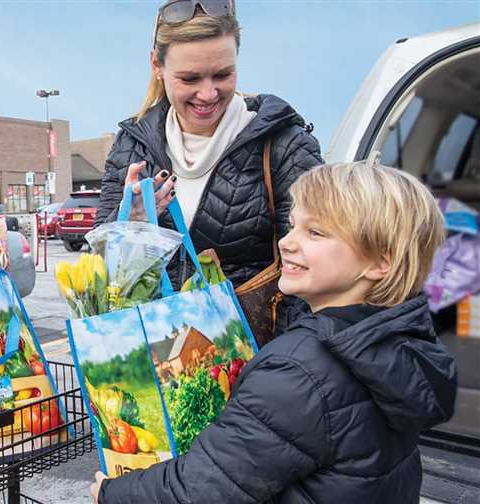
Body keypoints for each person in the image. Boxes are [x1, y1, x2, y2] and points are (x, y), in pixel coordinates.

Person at [89, 158, 458, 503]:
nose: (286, 241)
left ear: (380, 262)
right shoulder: (398, 340)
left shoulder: (299, 370)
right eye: (294, 224)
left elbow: (203, 488)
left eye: (314, 232)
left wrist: (113, 492)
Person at [94, 0, 323, 295]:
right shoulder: (131, 143)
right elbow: (97, 270)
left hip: (256, 338)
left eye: (222, 75)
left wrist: (288, 343)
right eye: (189, 78)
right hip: (153, 339)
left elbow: (317, 275)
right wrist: (129, 224)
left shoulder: (284, 143)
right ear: (156, 66)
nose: (208, 94)